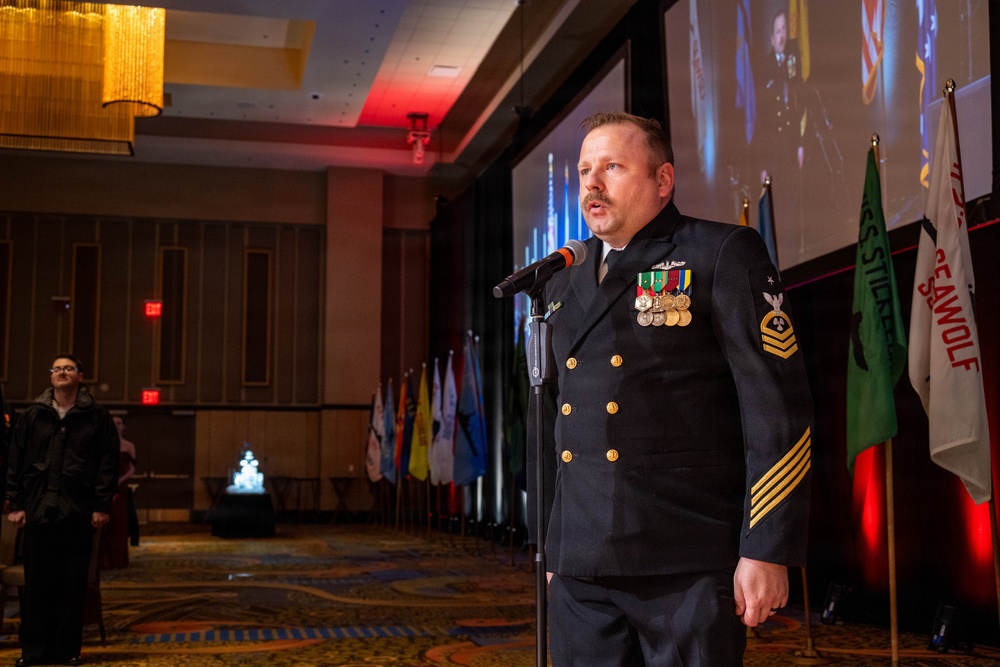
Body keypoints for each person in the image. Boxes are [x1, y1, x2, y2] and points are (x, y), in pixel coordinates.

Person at [526, 112, 813, 665]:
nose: (592, 182)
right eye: (585, 169)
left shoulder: (720, 253)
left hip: (685, 559)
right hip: (580, 563)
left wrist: (766, 549)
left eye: (612, 166)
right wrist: (549, 543)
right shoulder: (560, 280)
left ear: (663, 180)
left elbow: (776, 410)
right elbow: (549, 421)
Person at [6, 354, 119, 667]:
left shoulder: (96, 416)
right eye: (57, 368)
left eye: (69, 368)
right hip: (39, 510)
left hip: (78, 510)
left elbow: (107, 464)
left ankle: (68, 651)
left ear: (80, 376)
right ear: (51, 376)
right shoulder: (33, 415)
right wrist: (16, 503)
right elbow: (16, 459)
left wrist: (101, 505)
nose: (62, 372)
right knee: (37, 585)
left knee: (72, 585)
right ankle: (34, 652)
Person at [99, 416, 137, 569]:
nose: (116, 426)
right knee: (105, 523)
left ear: (123, 426)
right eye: (114, 423)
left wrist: (121, 480)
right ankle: (105, 560)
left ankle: (118, 560)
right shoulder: (104, 444)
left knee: (120, 524)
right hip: (106, 488)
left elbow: (133, 468)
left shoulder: (129, 445)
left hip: (121, 489)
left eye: (119, 423)